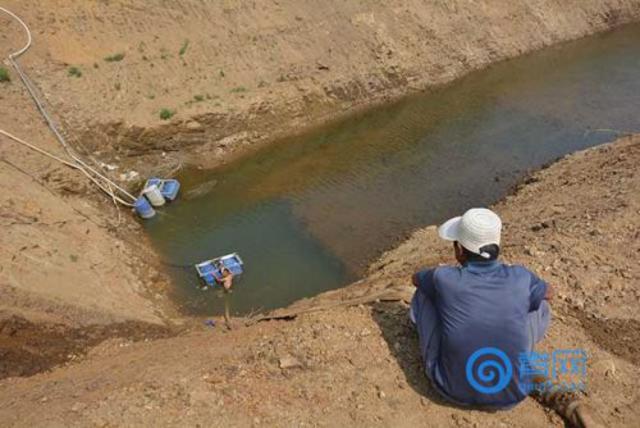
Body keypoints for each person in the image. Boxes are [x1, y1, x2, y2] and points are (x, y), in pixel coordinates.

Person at [410, 208, 552, 409]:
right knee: (539, 302)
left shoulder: (443, 277)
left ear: (459, 250)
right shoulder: (521, 276)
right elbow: (549, 292)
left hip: (450, 390)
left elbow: (415, 278)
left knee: (423, 294)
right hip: (512, 396)